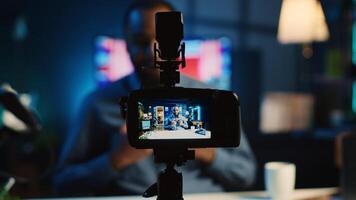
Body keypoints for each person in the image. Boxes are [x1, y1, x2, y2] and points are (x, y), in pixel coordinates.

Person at [53, 0, 256, 196]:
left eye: (162, 40)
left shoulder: (210, 98)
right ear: (126, 44)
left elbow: (246, 174)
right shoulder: (98, 104)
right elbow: (62, 182)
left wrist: (207, 151)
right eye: (141, 41)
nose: (152, 51)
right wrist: (116, 159)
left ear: (178, 43)